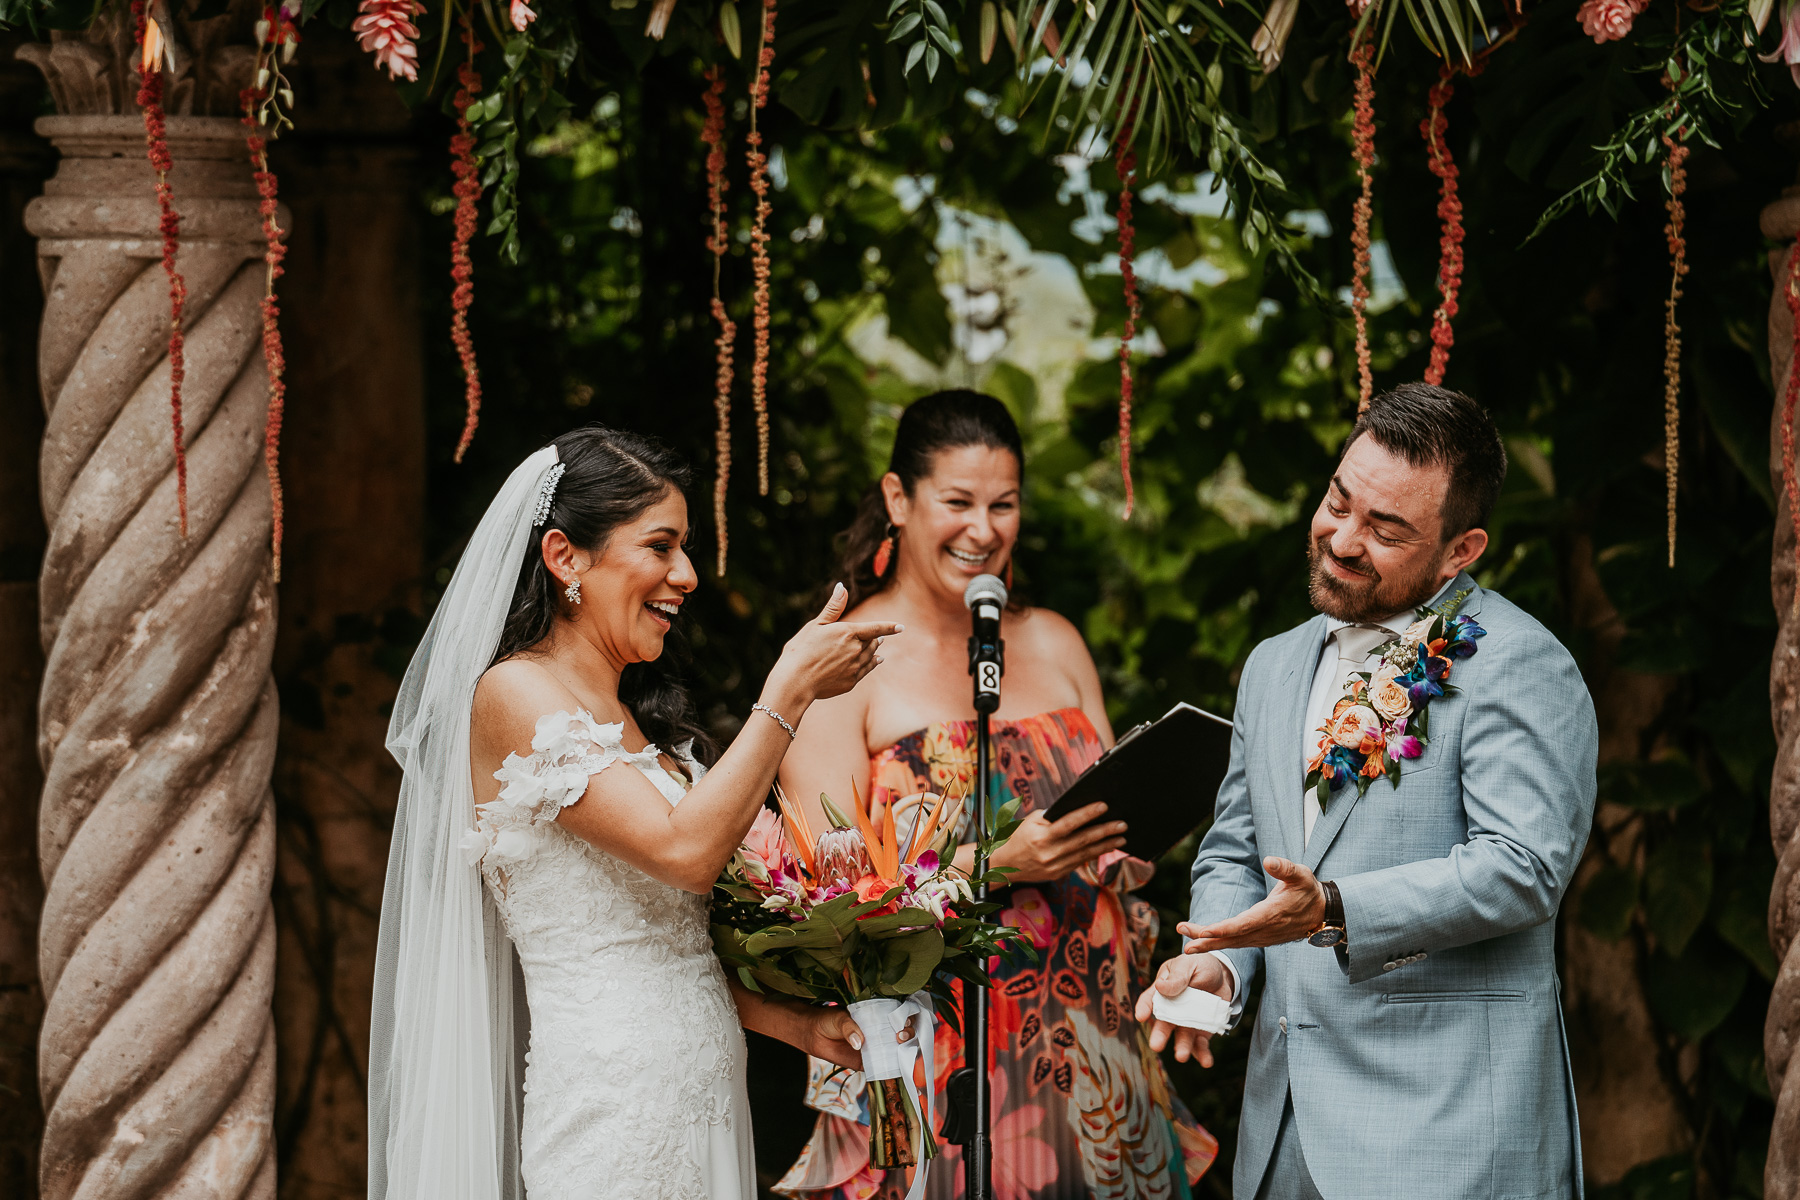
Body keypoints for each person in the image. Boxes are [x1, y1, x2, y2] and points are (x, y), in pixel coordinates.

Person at [367, 427, 910, 1200]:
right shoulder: (515, 696)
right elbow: (682, 851)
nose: (686, 575)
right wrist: (787, 692)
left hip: (707, 1101)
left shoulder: (642, 727)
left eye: (685, 547)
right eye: (661, 546)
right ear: (565, 558)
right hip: (613, 1114)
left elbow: (674, 947)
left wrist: (797, 1026)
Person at [1137, 383, 1598, 1200]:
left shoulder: (1520, 663)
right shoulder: (1273, 664)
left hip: (1447, 1143)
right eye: (1337, 503)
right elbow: (1240, 850)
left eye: (1386, 530)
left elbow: (1523, 866)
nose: (1343, 539)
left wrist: (1336, 907)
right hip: (1282, 1142)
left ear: (1462, 551)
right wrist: (1219, 965)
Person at [775, 391, 1217, 1200]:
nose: (984, 530)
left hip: (1094, 1045)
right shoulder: (841, 674)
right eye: (958, 502)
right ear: (898, 500)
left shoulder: (1053, 639)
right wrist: (997, 865)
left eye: (1004, 504)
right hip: (945, 1062)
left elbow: (1103, 807)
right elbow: (822, 915)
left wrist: (1124, 847)